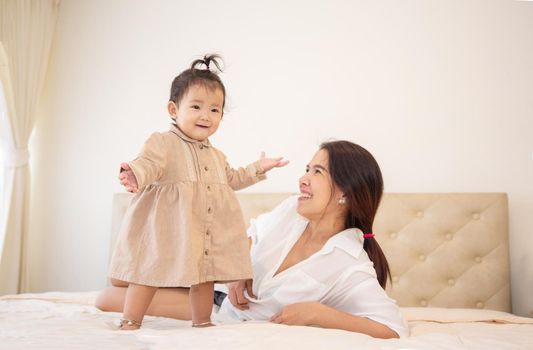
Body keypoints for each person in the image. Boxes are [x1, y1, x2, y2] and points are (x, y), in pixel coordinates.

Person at [97, 140, 408, 338]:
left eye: (317, 172)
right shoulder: (291, 211)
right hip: (215, 282)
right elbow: (250, 233)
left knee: (107, 298)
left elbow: (393, 327)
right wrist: (240, 269)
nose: (303, 178)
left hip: (224, 313)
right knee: (119, 275)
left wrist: (318, 313)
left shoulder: (350, 264)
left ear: (345, 193)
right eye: (306, 169)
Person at [107, 54, 288, 330]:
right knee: (147, 272)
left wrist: (258, 168)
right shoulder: (163, 143)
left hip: (201, 232)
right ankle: (130, 320)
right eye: (196, 106)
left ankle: (202, 322)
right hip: (166, 228)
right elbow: (148, 163)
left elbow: (232, 179)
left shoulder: (216, 156)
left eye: (215, 110)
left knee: (205, 275)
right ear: (173, 109)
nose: (206, 115)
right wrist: (133, 173)